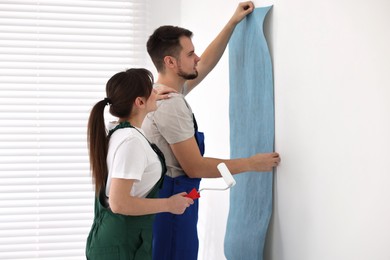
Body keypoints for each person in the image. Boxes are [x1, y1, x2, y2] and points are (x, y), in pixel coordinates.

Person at [142, 1, 281, 260]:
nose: (196, 58)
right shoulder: (170, 106)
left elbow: (203, 65)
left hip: (171, 203)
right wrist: (252, 162)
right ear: (170, 62)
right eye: (190, 54)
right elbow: (195, 167)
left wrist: (233, 22)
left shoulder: (158, 93)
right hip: (173, 205)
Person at [85, 68, 194, 260]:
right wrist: (169, 204)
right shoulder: (131, 142)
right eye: (151, 90)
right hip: (121, 244)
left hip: (118, 240)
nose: (156, 91)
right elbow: (119, 203)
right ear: (139, 101)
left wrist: (150, 101)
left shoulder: (118, 132)